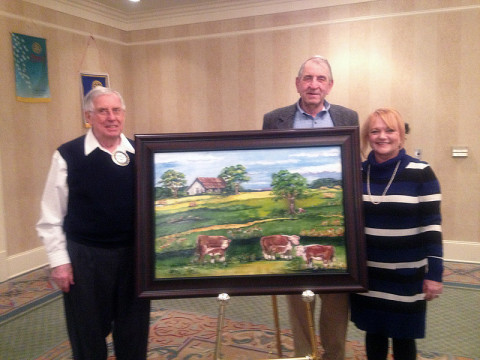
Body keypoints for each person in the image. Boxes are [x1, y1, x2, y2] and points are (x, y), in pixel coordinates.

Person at [36, 86, 150, 360]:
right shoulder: (68, 155)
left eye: (116, 110)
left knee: (133, 332)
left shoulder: (141, 152)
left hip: (133, 259)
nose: (111, 117)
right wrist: (59, 262)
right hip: (85, 258)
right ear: (89, 116)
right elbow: (51, 215)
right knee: (87, 333)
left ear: (123, 114)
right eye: (103, 111)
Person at [263, 55, 359, 360]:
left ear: (330, 85)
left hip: (338, 224)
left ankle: (334, 355)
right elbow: (268, 166)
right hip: (291, 225)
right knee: (296, 296)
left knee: (335, 301)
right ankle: (303, 354)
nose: (313, 85)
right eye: (307, 78)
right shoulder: (273, 119)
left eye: (320, 79)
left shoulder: (348, 117)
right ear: (297, 83)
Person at [350, 108, 443, 360]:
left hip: (406, 273)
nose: (383, 136)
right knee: (374, 334)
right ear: (367, 137)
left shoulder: (421, 171)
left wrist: (435, 274)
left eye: (390, 130)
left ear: (401, 135)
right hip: (368, 273)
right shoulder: (356, 172)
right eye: (375, 131)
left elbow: (432, 225)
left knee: (404, 338)